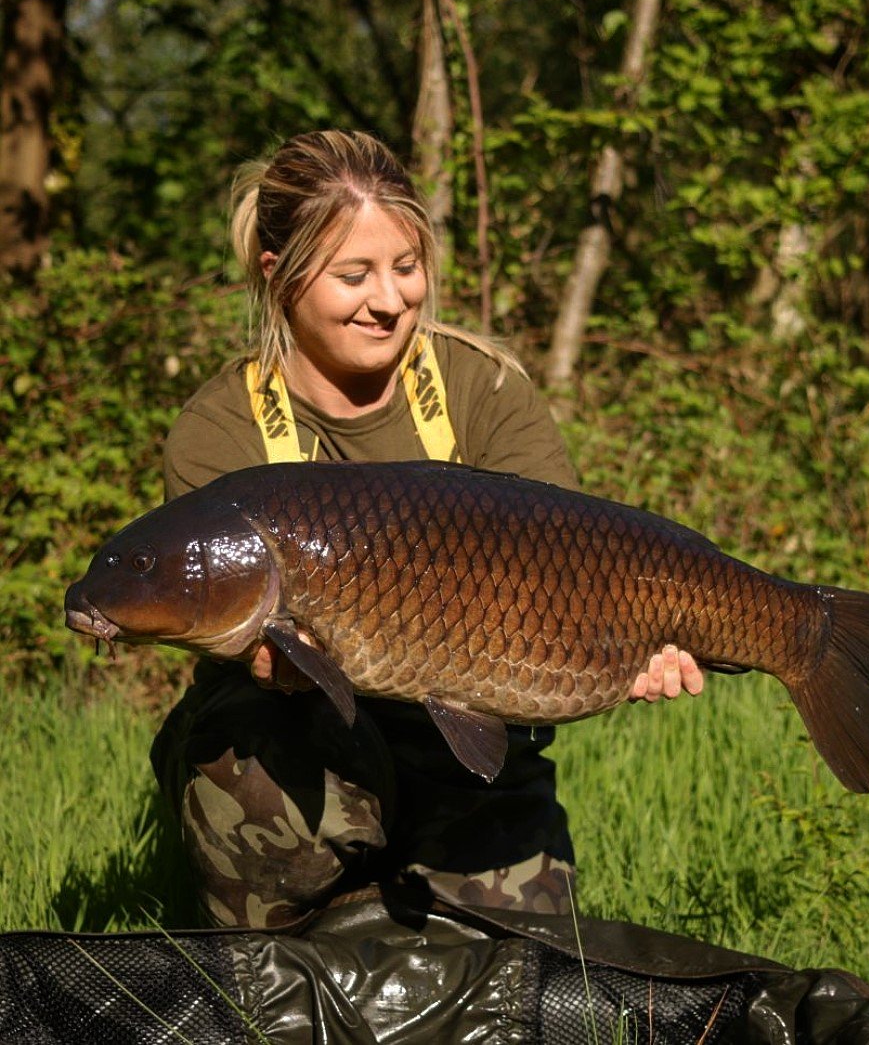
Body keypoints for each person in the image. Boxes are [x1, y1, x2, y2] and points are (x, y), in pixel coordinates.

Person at [150, 128, 705, 931]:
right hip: (296, 743)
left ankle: (403, 896)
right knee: (258, 779)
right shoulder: (218, 431)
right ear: (280, 277)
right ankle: (303, 933)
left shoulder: (482, 388)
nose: (389, 299)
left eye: (406, 269)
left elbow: (577, 572)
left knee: (519, 951)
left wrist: (636, 641)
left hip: (469, 738)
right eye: (354, 275)